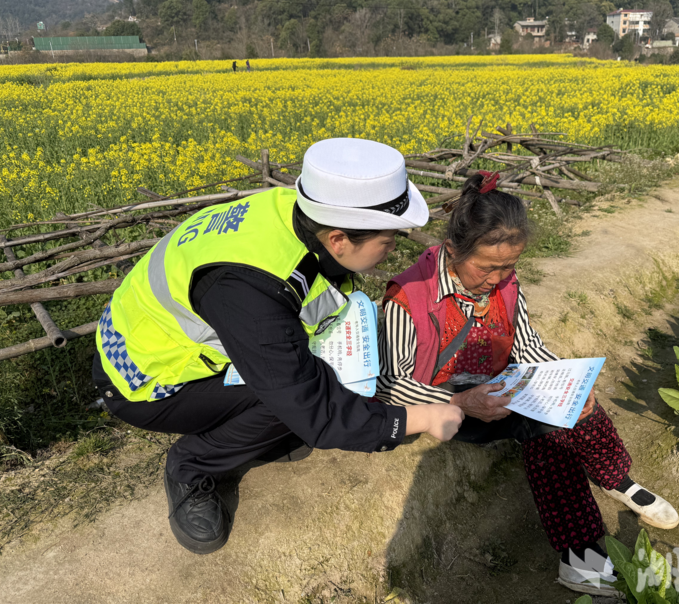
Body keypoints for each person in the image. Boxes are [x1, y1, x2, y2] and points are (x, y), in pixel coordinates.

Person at [92, 138, 464, 554]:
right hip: (144, 381)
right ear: (338, 239)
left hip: (180, 345)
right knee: (286, 401)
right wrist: (419, 418)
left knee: (301, 381)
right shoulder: (250, 290)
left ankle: (253, 433)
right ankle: (191, 465)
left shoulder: (295, 212)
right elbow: (311, 408)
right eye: (388, 239)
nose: (395, 247)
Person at [376, 172, 679, 597]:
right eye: (486, 267)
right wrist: (461, 399)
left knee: (580, 405)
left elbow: (528, 345)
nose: (497, 278)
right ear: (452, 250)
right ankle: (581, 555)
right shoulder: (409, 296)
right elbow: (391, 384)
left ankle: (615, 478)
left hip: (497, 388)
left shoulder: (505, 285)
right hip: (444, 405)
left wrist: (568, 382)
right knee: (547, 433)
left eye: (508, 267)